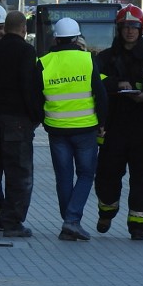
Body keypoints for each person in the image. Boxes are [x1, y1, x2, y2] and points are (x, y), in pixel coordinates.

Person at [95, 4, 143, 241]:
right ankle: (106, 211)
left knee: (142, 178)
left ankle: (139, 225)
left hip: (142, 127)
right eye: (125, 26)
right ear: (119, 28)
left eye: (134, 26)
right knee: (107, 174)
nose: (130, 31)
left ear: (141, 28)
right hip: (113, 125)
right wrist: (116, 84)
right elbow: (96, 82)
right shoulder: (105, 58)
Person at [0, 11, 43, 237]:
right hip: (17, 120)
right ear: (23, 29)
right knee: (18, 173)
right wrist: (35, 116)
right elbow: (29, 86)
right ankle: (12, 223)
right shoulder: (26, 52)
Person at [37, 18, 107, 242]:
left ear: (56, 38)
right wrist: (103, 122)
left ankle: (69, 222)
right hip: (85, 128)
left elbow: (35, 96)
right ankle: (72, 220)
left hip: (56, 128)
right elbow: (101, 93)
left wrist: (43, 120)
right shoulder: (88, 59)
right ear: (77, 38)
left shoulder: (43, 62)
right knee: (86, 174)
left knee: (63, 177)